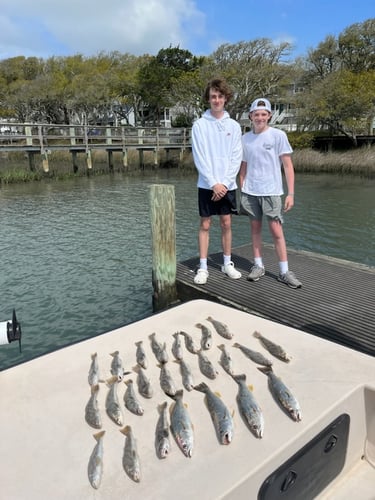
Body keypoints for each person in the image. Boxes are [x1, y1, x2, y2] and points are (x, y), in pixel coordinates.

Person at [239, 97, 302, 288]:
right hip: (250, 192)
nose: (259, 118)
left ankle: (284, 271)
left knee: (276, 231)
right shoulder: (245, 139)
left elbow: (288, 166)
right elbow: (243, 167)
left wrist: (290, 193)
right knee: (255, 229)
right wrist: (242, 189)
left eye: (263, 114)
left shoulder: (278, 135)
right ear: (250, 116)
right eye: (256, 114)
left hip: (272, 191)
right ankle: (258, 265)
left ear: (269, 116)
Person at [191, 78, 242, 285]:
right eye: (213, 96)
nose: (217, 100)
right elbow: (199, 156)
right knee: (205, 223)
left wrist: (225, 183)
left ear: (225, 98)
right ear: (208, 99)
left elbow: (236, 156)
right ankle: (203, 267)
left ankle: (227, 263)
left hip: (227, 185)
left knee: (226, 222)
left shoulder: (234, 125)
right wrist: (213, 183)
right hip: (206, 184)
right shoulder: (199, 125)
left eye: (220, 96)